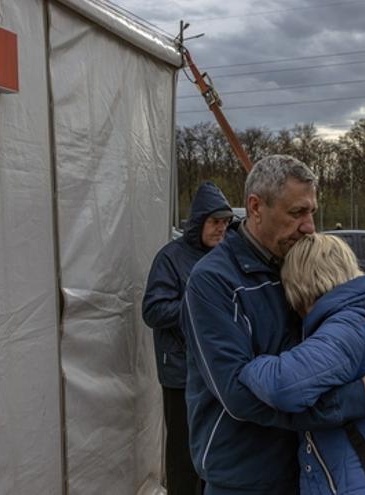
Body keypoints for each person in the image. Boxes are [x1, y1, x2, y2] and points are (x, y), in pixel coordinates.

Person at [181, 155, 365, 494]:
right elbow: (238, 398)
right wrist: (357, 399)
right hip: (247, 473)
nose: (310, 226)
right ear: (256, 207)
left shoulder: (302, 258)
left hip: (316, 467)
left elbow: (350, 319)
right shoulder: (213, 281)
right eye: (297, 213)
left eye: (312, 211)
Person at [238, 234, 365, 494]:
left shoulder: (344, 328)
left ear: (302, 282)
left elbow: (283, 386)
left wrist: (247, 364)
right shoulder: (362, 316)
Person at [142, 181, 234, 495]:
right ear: (198, 223)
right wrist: (199, 306)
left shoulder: (225, 256)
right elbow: (152, 310)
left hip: (216, 372)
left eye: (225, 222)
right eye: (215, 222)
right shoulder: (170, 257)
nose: (221, 228)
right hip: (180, 373)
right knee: (183, 452)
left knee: (213, 448)